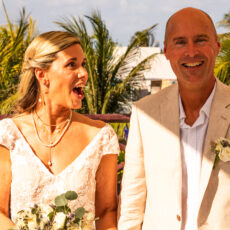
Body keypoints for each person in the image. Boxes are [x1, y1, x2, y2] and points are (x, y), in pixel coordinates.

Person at [118, 7, 230, 230]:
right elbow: (132, 206)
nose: (191, 52)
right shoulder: (144, 114)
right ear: (166, 50)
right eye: (180, 42)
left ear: (217, 46)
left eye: (200, 40)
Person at [0, 31, 119, 230]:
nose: (83, 73)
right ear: (42, 75)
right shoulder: (8, 134)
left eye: (83, 64)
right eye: (71, 64)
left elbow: (107, 214)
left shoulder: (101, 137)